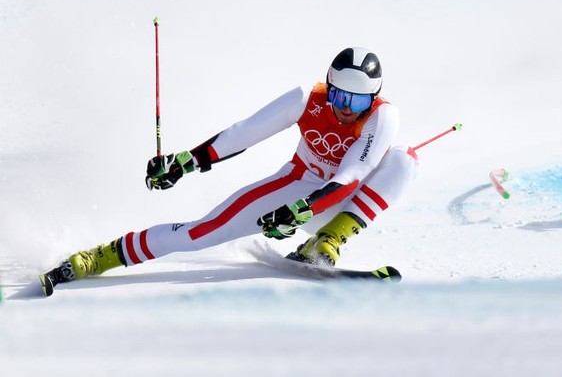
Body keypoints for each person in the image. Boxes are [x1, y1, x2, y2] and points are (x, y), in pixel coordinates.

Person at [39, 47, 418, 296]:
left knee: (405, 159)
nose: (346, 108)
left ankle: (327, 241)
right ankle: (96, 258)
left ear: (374, 97)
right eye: (339, 96)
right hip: (297, 184)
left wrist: (303, 210)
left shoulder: (384, 116)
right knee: (197, 233)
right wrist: (184, 163)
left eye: (357, 100)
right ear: (329, 87)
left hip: (340, 200)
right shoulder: (307, 99)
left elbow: (353, 174)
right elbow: (243, 133)